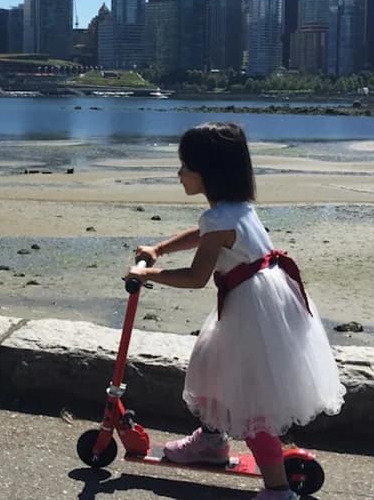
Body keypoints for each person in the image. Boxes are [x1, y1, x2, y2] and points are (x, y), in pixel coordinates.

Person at [130, 122, 344, 500]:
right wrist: (159, 249)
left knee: (252, 402)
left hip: (252, 313)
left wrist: (147, 274)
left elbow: (196, 277)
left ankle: (278, 490)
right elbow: (205, 235)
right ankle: (212, 441)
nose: (179, 174)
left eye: (185, 167)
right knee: (214, 369)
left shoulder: (221, 219)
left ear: (207, 172)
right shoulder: (234, 209)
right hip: (264, 302)